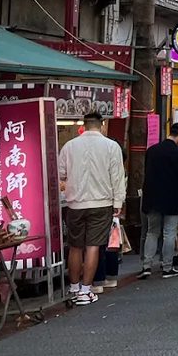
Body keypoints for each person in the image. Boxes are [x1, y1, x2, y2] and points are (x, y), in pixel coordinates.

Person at [58, 111, 125, 306]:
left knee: (75, 246)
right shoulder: (112, 147)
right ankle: (86, 291)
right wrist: (118, 203)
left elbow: (61, 173)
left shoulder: (69, 146)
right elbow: (117, 177)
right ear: (102, 125)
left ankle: (73, 287)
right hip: (101, 202)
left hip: (75, 203)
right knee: (93, 246)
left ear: (84, 125)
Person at [140, 122, 178, 279]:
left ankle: (146, 266)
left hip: (152, 198)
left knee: (152, 232)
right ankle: (167, 267)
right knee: (169, 233)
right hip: (172, 199)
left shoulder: (152, 151)